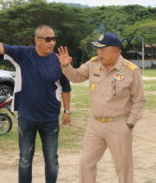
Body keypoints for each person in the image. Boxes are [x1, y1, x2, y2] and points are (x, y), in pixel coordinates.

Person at [0, 24, 71, 183]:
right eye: (48, 39)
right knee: (25, 159)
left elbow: (66, 87)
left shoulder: (58, 61)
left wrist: (67, 111)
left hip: (50, 118)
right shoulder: (24, 54)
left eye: (54, 39)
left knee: (51, 159)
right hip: (27, 117)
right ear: (37, 40)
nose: (52, 43)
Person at [56, 32, 145, 183]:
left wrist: (129, 123)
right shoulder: (93, 64)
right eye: (98, 49)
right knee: (86, 163)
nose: (99, 52)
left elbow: (139, 100)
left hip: (119, 125)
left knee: (123, 168)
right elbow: (76, 76)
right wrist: (66, 66)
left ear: (116, 50)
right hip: (95, 125)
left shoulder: (131, 70)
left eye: (103, 49)